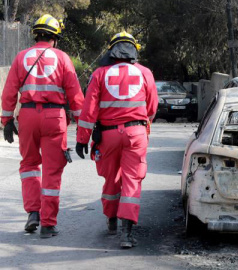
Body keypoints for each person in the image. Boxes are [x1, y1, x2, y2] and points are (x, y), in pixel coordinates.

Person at [1, 14, 84, 238]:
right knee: (52, 170)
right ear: (54, 38)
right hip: (54, 117)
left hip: (27, 115)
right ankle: (48, 224)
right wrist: (85, 129)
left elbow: (9, 91)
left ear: (35, 35)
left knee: (28, 165)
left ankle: (33, 213)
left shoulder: (21, 57)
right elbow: (76, 96)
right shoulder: (63, 58)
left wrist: (6, 120)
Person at [76, 31, 158, 248]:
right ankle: (127, 232)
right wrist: (142, 125)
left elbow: (89, 110)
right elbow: (151, 108)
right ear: (134, 50)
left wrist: (82, 139)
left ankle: (112, 220)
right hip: (136, 134)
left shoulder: (99, 73)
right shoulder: (145, 73)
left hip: (108, 135)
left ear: (111, 50)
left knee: (111, 179)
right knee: (132, 180)